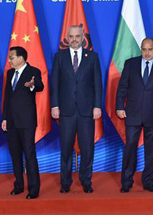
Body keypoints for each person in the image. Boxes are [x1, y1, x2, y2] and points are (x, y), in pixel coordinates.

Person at [116, 37, 153, 193]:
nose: (147, 53)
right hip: (132, 114)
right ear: (140, 49)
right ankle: (126, 181)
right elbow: (122, 87)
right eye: (144, 49)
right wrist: (119, 107)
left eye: (150, 49)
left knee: (152, 149)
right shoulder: (130, 64)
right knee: (130, 148)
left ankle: (148, 181)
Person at [51, 25, 102, 194]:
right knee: (65, 148)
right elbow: (55, 84)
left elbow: (97, 84)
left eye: (77, 36)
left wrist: (97, 106)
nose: (74, 39)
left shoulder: (92, 57)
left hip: (87, 111)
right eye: (71, 36)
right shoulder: (59, 57)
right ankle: (65, 183)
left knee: (87, 148)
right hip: (66, 111)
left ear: (82, 38)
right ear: (67, 38)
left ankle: (86, 180)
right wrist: (55, 105)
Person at [2, 46, 44, 199]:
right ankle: (18, 185)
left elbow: (40, 86)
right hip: (12, 121)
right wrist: (5, 118)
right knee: (15, 154)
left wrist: (32, 85)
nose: (10, 60)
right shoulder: (10, 73)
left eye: (11, 57)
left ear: (21, 58)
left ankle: (34, 189)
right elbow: (7, 97)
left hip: (26, 121)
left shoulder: (33, 71)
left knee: (29, 154)